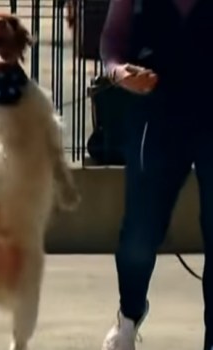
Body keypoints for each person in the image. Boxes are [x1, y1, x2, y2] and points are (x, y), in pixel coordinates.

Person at [99, 0, 212, 349]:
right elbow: (112, 40)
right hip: (156, 114)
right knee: (140, 231)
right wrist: (119, 73)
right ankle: (130, 314)